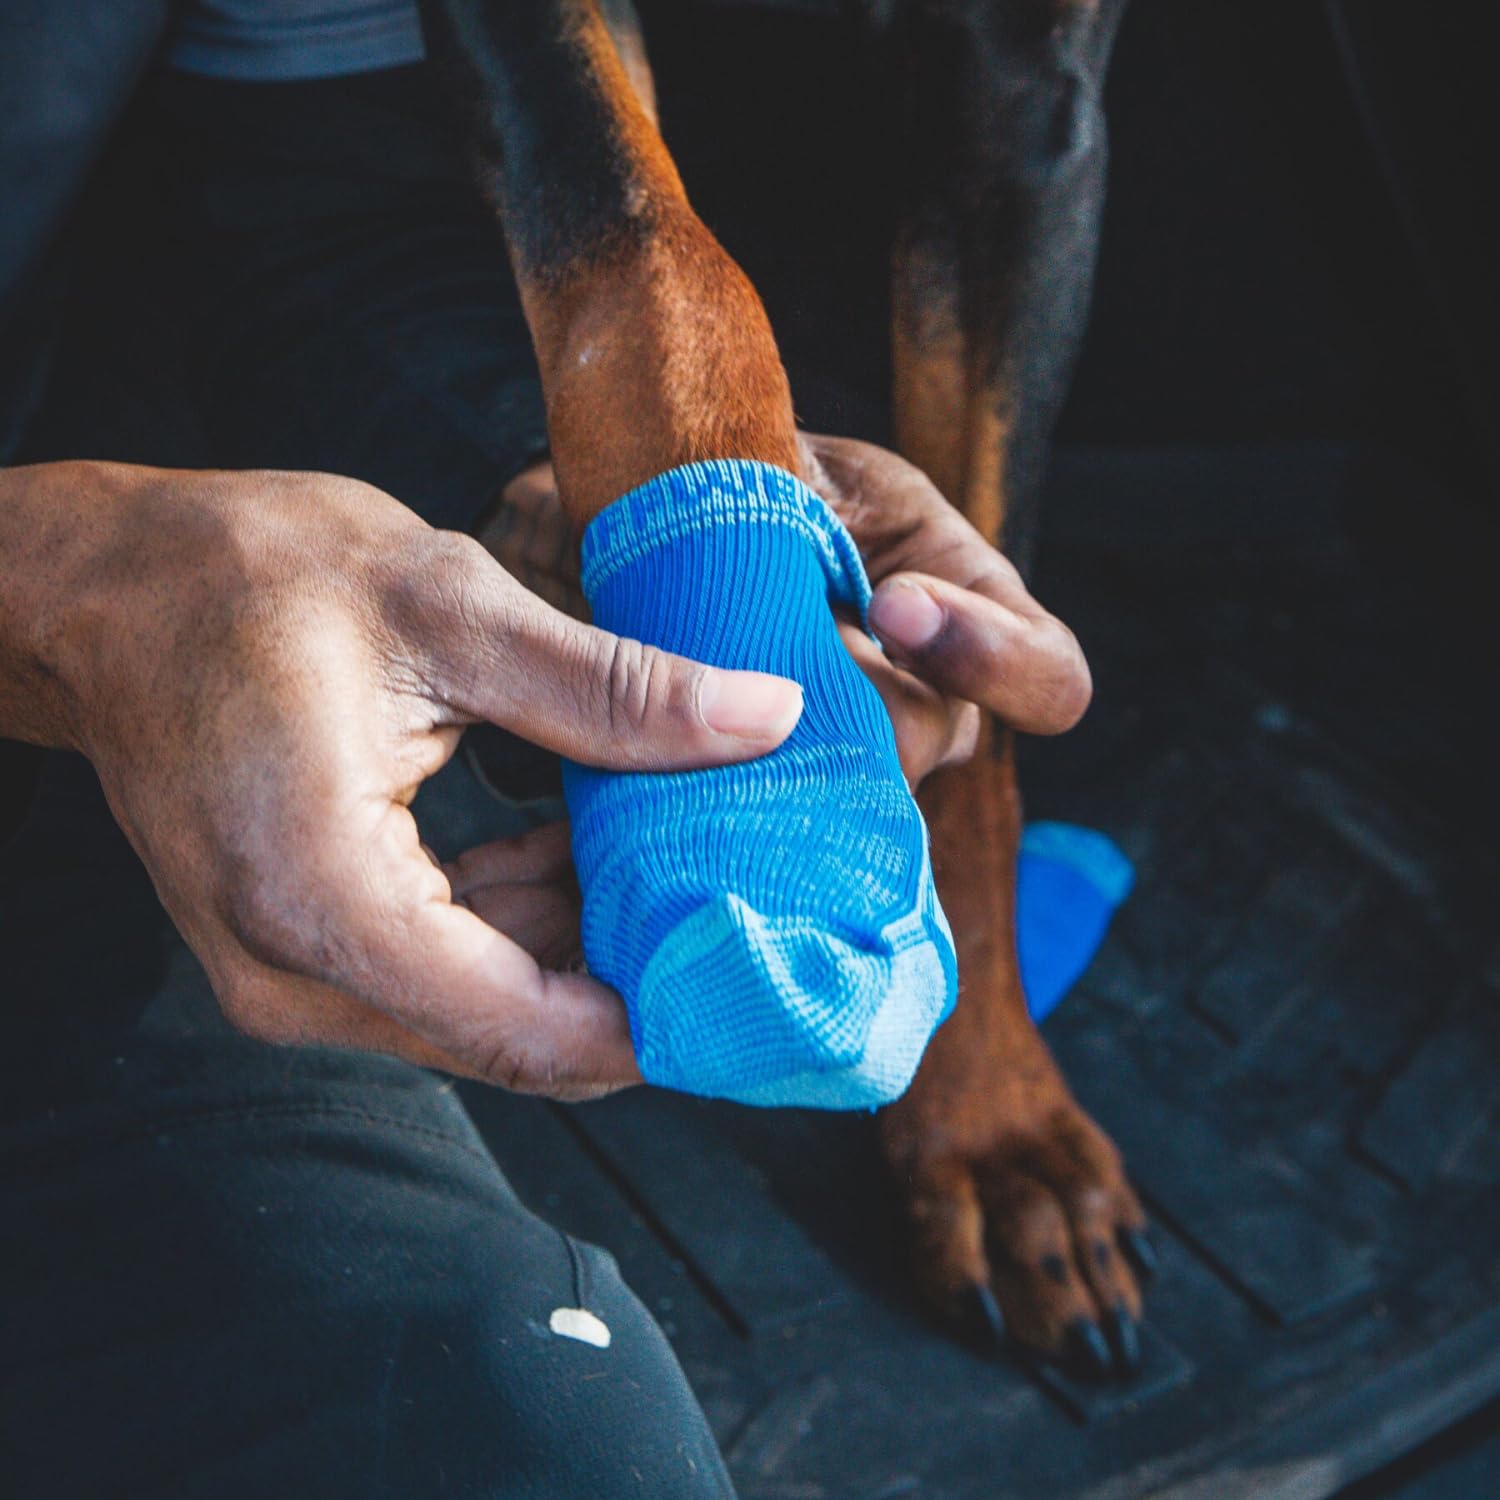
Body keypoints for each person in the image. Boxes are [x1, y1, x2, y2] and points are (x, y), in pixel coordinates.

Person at [0, 4, 1090, 1495]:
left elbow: (306, 223)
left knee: (532, 1429)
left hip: (139, 760)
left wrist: (563, 514)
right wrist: (60, 590)